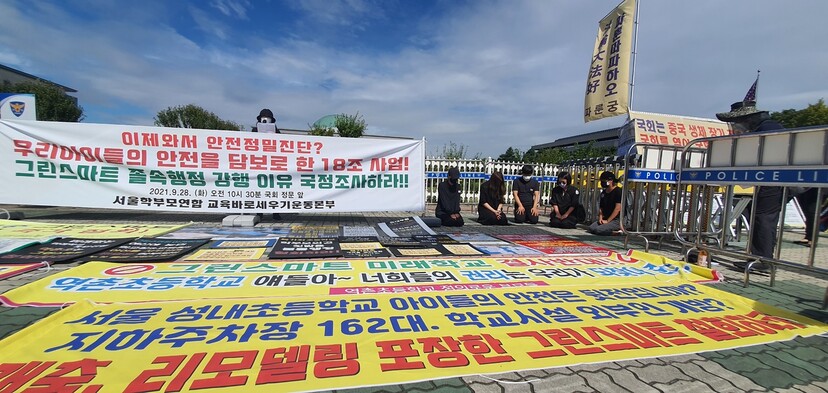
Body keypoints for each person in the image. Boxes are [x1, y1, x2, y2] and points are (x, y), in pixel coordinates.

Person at [716, 100, 784, 270]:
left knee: (763, 218)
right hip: (773, 178)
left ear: (748, 118)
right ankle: (763, 256)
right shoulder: (767, 127)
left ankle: (762, 260)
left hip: (775, 178)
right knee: (759, 215)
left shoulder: (767, 130)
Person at [252, 108, 282, 220]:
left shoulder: (276, 131)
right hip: (259, 165)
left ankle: (276, 212)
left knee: (274, 190)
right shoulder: (255, 131)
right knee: (259, 190)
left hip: (273, 166)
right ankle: (259, 212)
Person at [588, 171, 622, 235]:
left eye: (604, 181)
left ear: (610, 181)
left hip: (616, 220)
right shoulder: (604, 192)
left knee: (599, 230)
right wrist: (600, 218)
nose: (602, 183)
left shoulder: (618, 191)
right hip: (606, 217)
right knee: (591, 228)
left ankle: (617, 232)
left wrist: (608, 221)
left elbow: (618, 208)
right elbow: (601, 207)